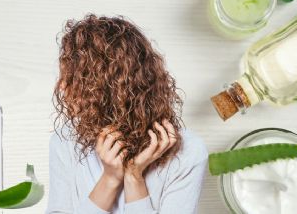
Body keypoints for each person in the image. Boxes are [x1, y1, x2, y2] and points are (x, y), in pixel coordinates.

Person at [47, 14, 208, 214]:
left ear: (112, 90)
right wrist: (110, 179)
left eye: (76, 80)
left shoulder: (189, 153)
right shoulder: (65, 142)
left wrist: (134, 177)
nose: (61, 87)